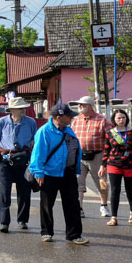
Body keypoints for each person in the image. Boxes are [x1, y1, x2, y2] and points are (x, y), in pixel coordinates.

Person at [29, 100, 88, 245]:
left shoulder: (68, 129)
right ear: (59, 117)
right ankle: (46, 232)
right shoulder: (44, 131)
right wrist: (38, 172)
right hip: (49, 173)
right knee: (47, 204)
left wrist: (76, 168)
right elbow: (38, 153)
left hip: (68, 172)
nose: (72, 118)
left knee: (72, 204)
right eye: (69, 116)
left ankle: (74, 235)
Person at [0, 96, 37, 233]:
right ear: (12, 110)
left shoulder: (31, 122)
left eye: (24, 108)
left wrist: (27, 151)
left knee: (24, 191)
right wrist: (3, 150)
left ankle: (22, 220)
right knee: (4, 191)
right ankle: (4, 222)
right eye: (20, 108)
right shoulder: (1, 122)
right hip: (6, 160)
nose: (24, 110)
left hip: (23, 160)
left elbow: (34, 139)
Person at [71, 95, 113, 218]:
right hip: (80, 156)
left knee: (102, 182)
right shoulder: (76, 120)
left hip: (97, 156)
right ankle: (79, 208)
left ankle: (104, 206)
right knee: (78, 184)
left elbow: (111, 138)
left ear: (90, 106)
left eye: (82, 105)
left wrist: (107, 158)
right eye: (79, 104)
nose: (80, 106)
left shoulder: (102, 120)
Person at [102, 109, 132, 226]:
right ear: (114, 119)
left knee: (130, 190)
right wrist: (102, 166)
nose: (121, 120)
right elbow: (107, 150)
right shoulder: (110, 133)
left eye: (123, 117)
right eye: (118, 118)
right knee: (115, 191)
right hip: (113, 164)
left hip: (130, 165)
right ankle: (114, 217)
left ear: (127, 118)